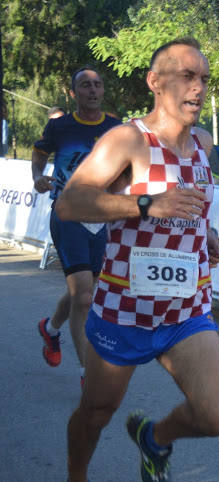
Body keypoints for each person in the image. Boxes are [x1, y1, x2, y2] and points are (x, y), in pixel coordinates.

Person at [53, 38, 219, 482]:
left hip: (186, 309)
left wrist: (208, 238)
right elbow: (70, 204)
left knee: (217, 416)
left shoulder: (204, 144)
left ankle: (155, 439)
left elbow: (189, 212)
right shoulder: (128, 141)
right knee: (95, 413)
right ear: (156, 82)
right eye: (186, 76)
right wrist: (144, 204)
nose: (197, 87)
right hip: (125, 311)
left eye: (203, 79)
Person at [32, 67, 122, 387]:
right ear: (74, 93)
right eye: (86, 85)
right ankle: (88, 374)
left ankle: (51, 329)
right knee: (83, 296)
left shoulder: (115, 128)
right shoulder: (60, 126)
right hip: (67, 213)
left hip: (100, 217)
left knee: (84, 291)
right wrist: (37, 177)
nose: (93, 90)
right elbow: (39, 151)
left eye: (98, 85)